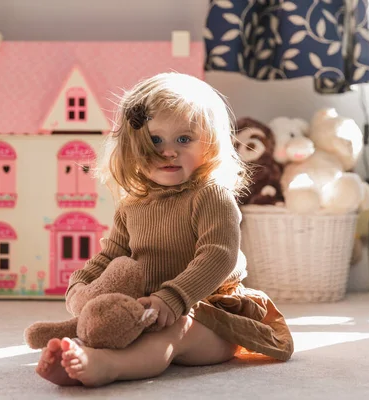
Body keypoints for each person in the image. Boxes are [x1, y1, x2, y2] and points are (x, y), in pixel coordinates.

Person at [35, 72, 294, 387]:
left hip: (208, 311)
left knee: (174, 333)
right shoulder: (133, 204)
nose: (168, 151)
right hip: (148, 306)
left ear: (210, 144)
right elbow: (110, 255)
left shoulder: (210, 195)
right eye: (155, 140)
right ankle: (76, 354)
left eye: (184, 139)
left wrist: (174, 298)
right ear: (134, 146)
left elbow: (218, 255)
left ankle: (109, 365)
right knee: (108, 324)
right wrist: (82, 284)